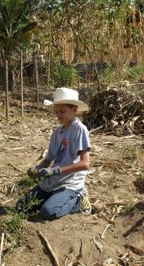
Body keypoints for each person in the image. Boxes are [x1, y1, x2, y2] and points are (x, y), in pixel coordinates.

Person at [16, 87, 92, 220]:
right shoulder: (57, 132)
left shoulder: (79, 130)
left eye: (62, 111)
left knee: (48, 212)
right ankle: (55, 198)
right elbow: (48, 160)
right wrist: (38, 168)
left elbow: (85, 164)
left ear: (74, 109)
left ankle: (78, 201)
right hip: (52, 181)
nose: (58, 115)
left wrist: (56, 171)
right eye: (56, 112)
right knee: (21, 207)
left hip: (70, 183)